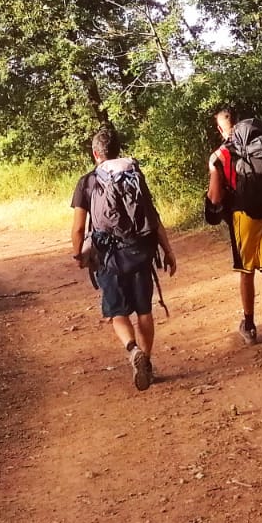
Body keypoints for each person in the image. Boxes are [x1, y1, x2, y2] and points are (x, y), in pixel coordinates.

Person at [70, 126, 178, 390]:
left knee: (117, 312)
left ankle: (132, 351)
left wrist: (79, 255)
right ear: (118, 150)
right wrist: (168, 250)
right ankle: (147, 361)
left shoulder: (88, 181)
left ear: (96, 153)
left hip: (108, 256)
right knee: (144, 310)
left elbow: (77, 229)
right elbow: (152, 216)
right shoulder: (134, 174)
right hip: (141, 249)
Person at [208, 106, 262, 354]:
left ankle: (250, 326)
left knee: (246, 271)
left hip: (242, 216)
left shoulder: (221, 154)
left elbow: (215, 197)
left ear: (221, 128)